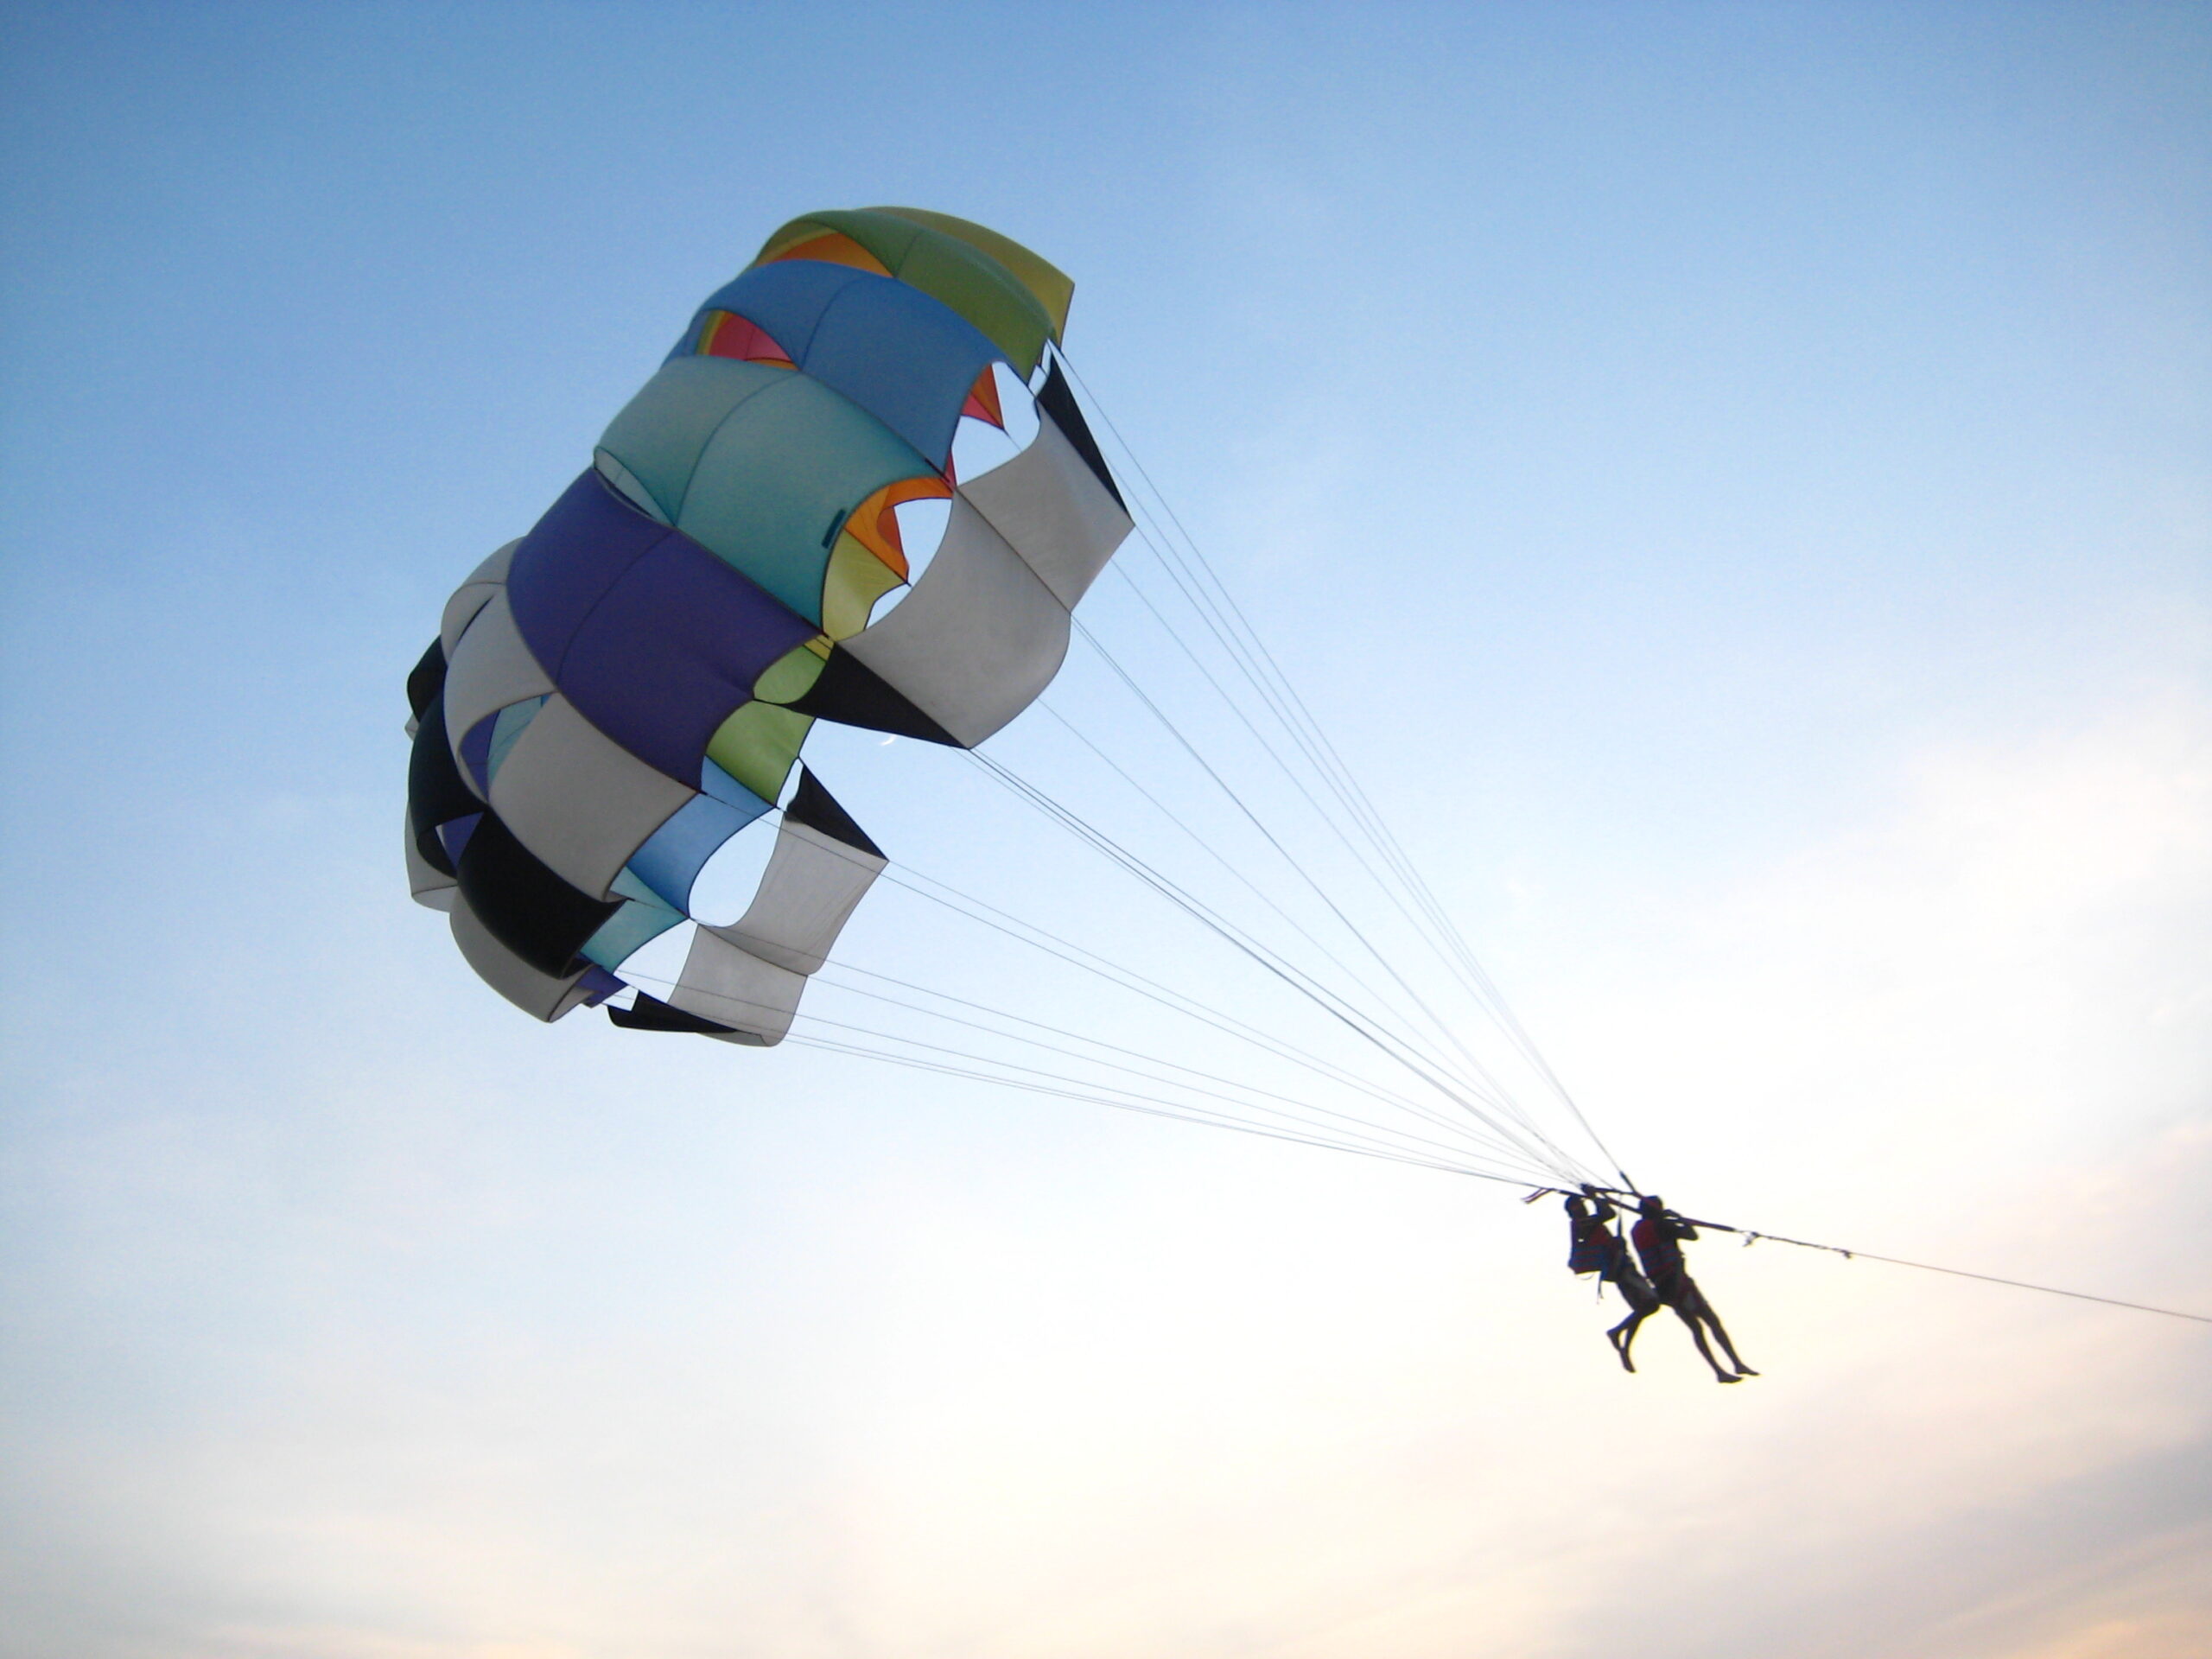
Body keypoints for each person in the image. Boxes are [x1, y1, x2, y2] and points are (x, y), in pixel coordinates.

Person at [1630, 1193, 1758, 1383]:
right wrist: (1679, 1218)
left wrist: (1666, 1219)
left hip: (1662, 1287)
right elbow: (1692, 1235)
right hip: (1679, 1281)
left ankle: (1719, 1371)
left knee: (1696, 1329)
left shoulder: (1637, 1230)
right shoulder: (1663, 1225)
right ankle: (1736, 1363)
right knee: (1712, 1321)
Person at [1565, 1187, 1660, 1371]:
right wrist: (1594, 1197)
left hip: (1620, 1266)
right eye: (1579, 1206)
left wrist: (1595, 1198)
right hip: (1620, 1268)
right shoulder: (1581, 1223)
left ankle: (1624, 1346)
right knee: (1652, 1303)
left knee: (1643, 1308)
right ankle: (1616, 1332)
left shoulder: (1585, 1222)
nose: (1582, 1208)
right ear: (1573, 1210)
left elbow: (1606, 1214)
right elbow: (1608, 1213)